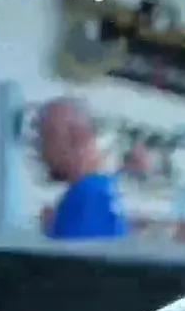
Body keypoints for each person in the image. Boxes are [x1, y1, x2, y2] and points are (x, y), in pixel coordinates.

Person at [35, 97, 127, 240]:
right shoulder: (104, 190)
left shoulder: (85, 199)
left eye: (48, 137)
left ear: (78, 137)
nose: (41, 149)